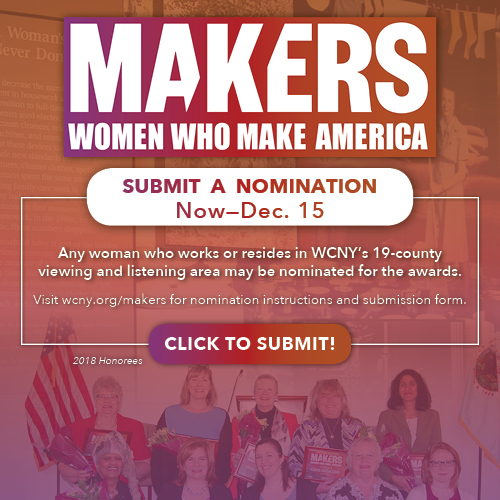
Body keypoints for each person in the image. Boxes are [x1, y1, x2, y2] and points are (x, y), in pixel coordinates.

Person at [151, 365, 232, 494]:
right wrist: (165, 489)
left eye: (204, 380)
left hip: (210, 487)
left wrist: (217, 485)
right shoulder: (170, 413)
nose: (199, 384)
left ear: (210, 386)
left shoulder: (222, 416)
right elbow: (158, 457)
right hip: (174, 487)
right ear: (187, 385)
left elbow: (224, 456)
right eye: (194, 379)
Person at [58, 376, 151, 484]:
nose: (107, 400)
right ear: (95, 400)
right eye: (101, 396)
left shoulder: (134, 427)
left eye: (112, 396)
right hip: (89, 487)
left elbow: (146, 464)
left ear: (119, 401)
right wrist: (77, 474)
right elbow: (63, 465)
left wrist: (130, 469)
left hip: (124, 487)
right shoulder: (78, 428)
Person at [288, 379, 364, 495]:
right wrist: (314, 488)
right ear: (317, 402)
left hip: (353, 491)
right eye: (324, 396)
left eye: (335, 396)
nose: (330, 400)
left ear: (342, 400)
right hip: (317, 494)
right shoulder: (305, 429)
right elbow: (293, 464)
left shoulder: (357, 426)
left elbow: (370, 459)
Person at [376, 369, 442, 494]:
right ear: (397, 390)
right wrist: (393, 477)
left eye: (412, 384)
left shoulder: (433, 416)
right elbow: (377, 454)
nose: (407, 388)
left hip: (423, 482)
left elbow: (437, 452)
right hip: (395, 485)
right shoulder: (386, 416)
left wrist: (429, 477)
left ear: (419, 387)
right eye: (403, 385)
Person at [430, 86, 469, 265]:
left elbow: (461, 173)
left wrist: (442, 187)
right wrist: (433, 183)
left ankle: (454, 278)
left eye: (450, 100)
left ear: (455, 104)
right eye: (443, 99)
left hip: (451, 190)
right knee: (434, 238)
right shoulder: (434, 127)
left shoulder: (460, 131)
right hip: (435, 187)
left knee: (451, 243)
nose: (446, 104)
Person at [326, 437, 403, 500]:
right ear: (350, 461)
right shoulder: (335, 494)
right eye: (358, 455)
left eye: (370, 455)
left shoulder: (393, 494)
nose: (364, 459)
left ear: (378, 461)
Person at [241, 438, 318, 500]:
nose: (263, 461)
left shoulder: (304, 488)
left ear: (281, 459)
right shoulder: (249, 495)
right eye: (259, 457)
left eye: (269, 455)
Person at [158, 437, 233, 500]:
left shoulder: (223, 494)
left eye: (202, 459)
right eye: (190, 459)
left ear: (210, 463)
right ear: (182, 465)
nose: (196, 464)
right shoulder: (168, 492)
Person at [407, 443, 475, 500]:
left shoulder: (468, 498)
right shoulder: (416, 495)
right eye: (436, 463)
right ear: (428, 467)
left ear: (455, 467)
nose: (443, 468)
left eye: (448, 462)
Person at [92, 430, 142, 500]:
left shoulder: (130, 492)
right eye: (107, 459)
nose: (113, 462)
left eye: (118, 459)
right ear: (98, 464)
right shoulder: (84, 488)